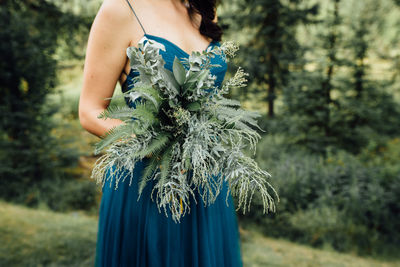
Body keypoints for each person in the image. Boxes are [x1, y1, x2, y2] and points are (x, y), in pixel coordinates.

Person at [79, 0, 243, 266]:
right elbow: (89, 110)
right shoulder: (120, 8)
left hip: (205, 183)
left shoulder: (200, 7)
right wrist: (154, 144)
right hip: (147, 182)